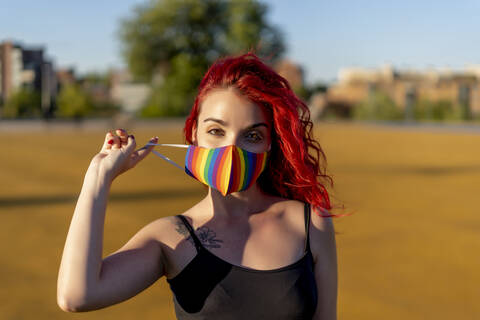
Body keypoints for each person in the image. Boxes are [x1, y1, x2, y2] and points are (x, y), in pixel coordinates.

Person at [57, 52, 338, 319]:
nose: (231, 149)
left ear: (270, 143)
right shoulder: (170, 237)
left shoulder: (310, 221)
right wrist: (98, 178)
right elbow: (76, 296)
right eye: (216, 131)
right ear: (194, 134)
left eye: (252, 135)